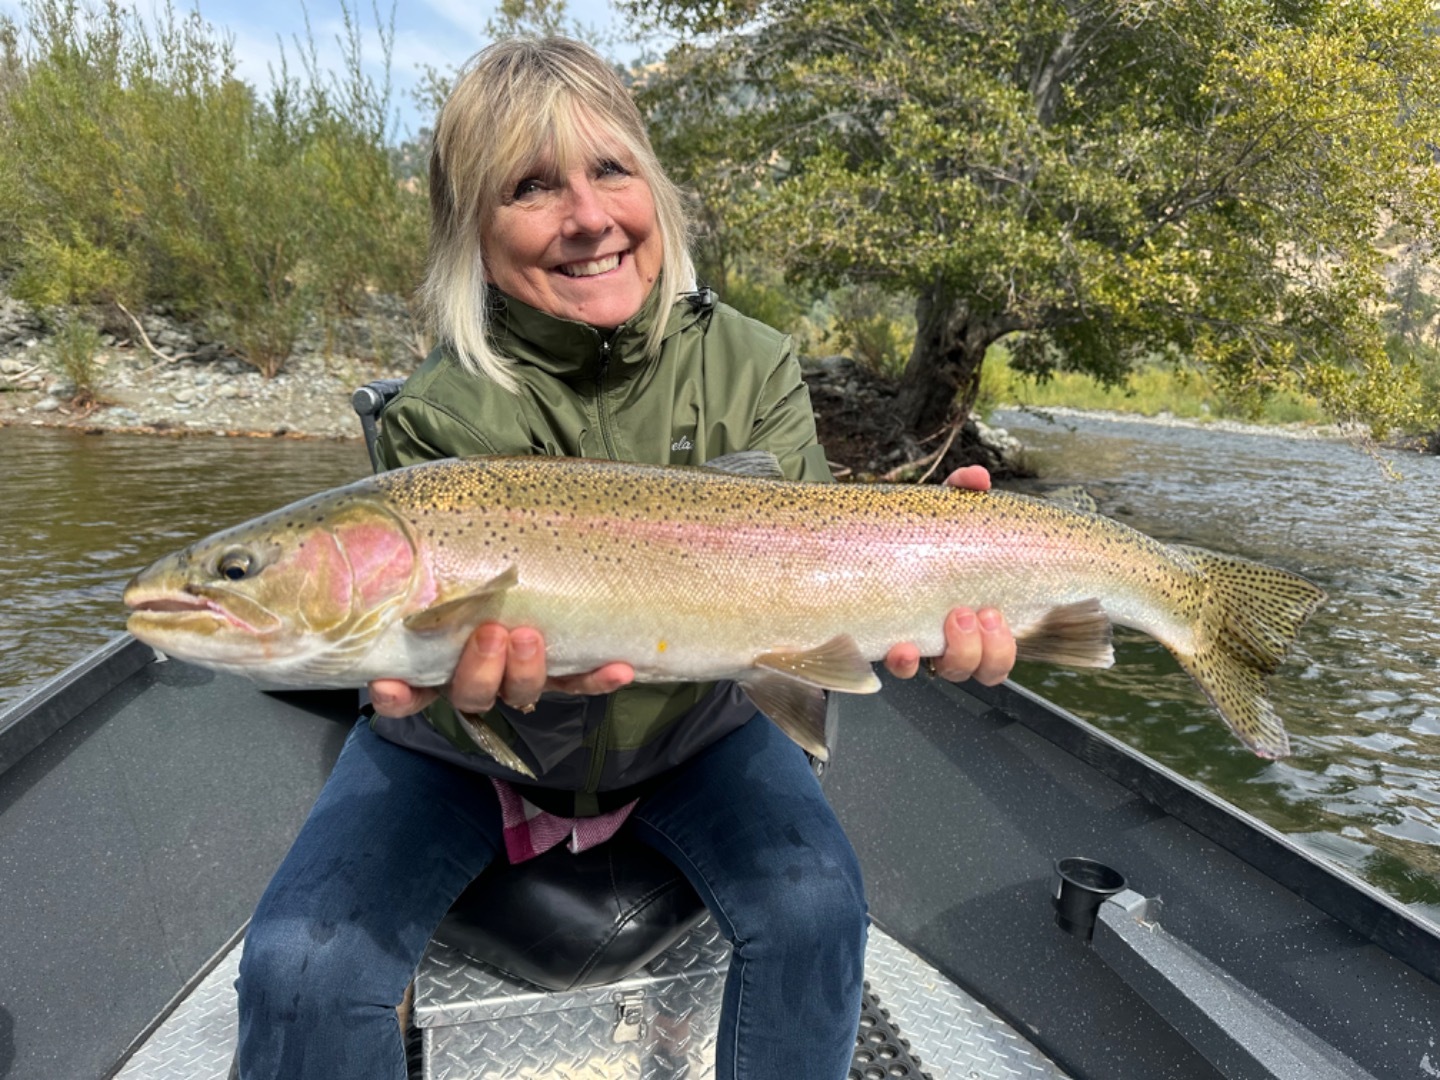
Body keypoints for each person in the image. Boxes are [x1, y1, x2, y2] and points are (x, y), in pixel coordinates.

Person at [234, 36, 1017, 1080]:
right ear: (472, 229)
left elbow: (809, 567)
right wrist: (480, 692)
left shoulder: (754, 361)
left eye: (612, 170)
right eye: (531, 187)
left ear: (655, 188)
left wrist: (947, 571)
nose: (590, 217)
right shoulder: (433, 416)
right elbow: (409, 658)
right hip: (459, 752)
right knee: (298, 971)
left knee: (819, 912)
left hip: (700, 730)